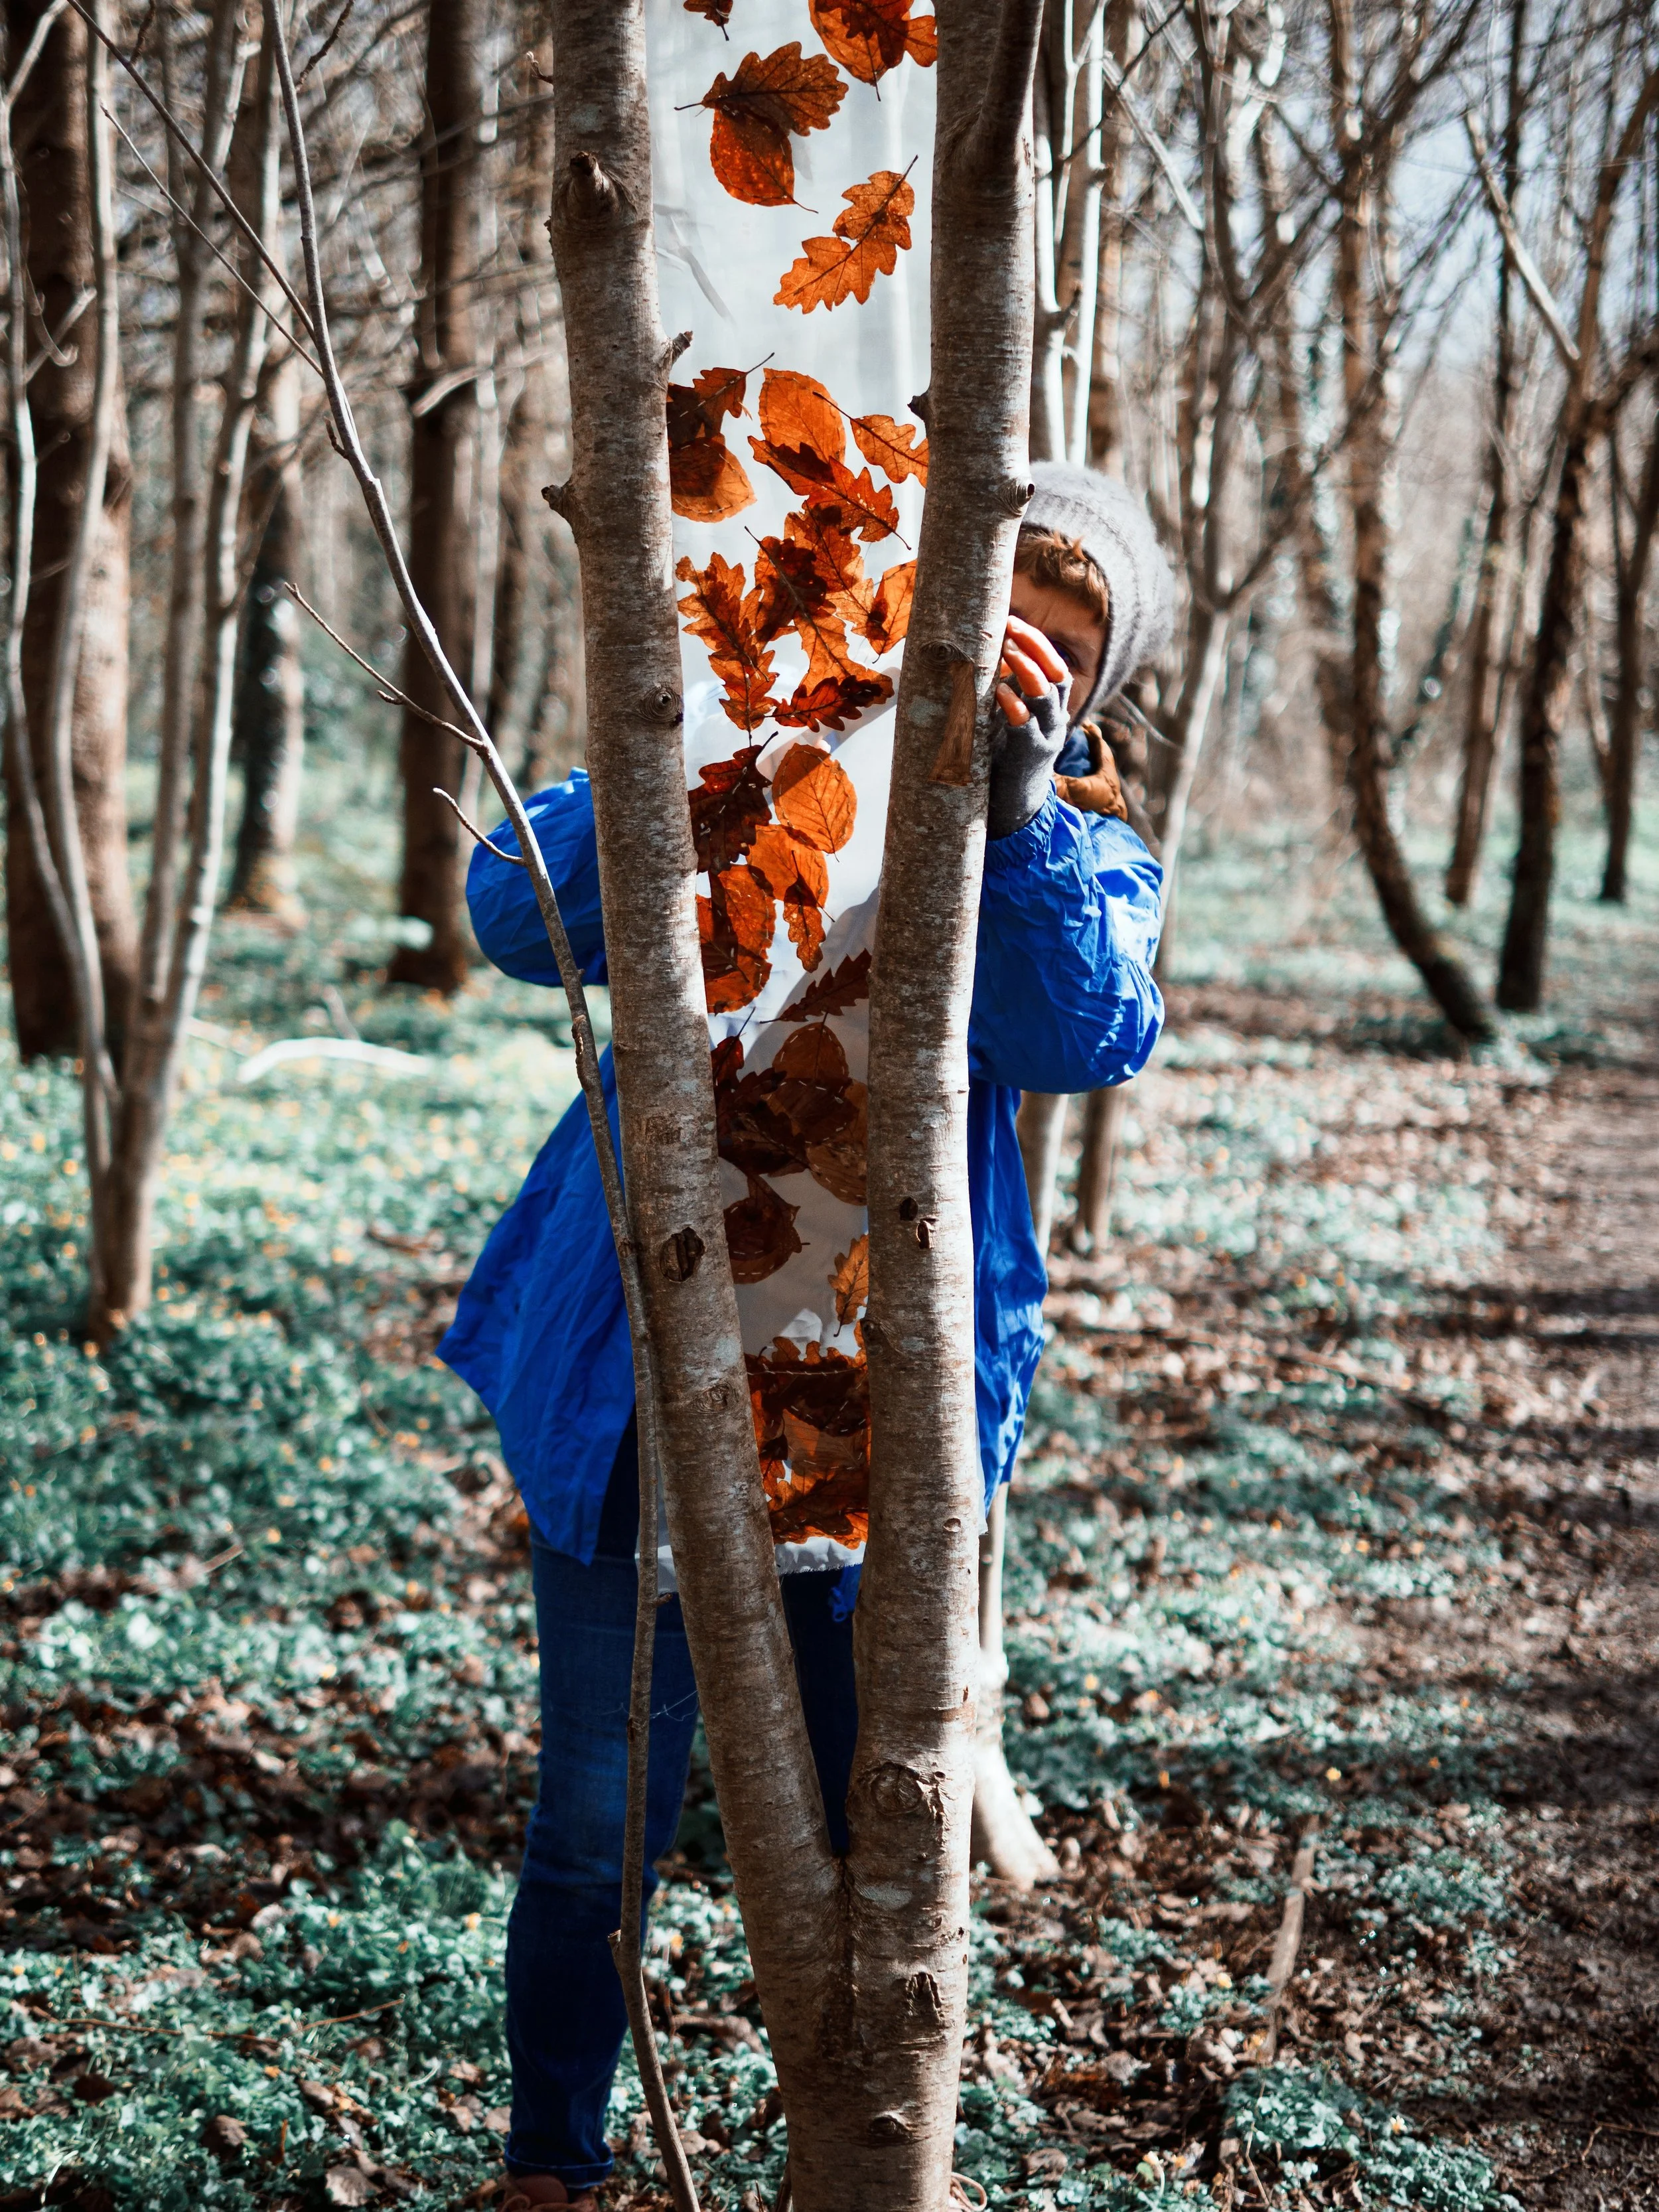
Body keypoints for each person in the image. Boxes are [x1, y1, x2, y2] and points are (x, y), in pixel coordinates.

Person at [439, 463, 1175, 2211]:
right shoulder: (754, 725)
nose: (1005, 666)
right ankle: (553, 2164)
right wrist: (764, 723)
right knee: (596, 1819)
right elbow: (502, 910)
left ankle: (843, 2170)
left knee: (865, 1836)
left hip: (871, 1408)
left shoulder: (1078, 850)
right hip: (644, 1375)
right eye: (979, 624)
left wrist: (1006, 815)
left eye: (1054, 655)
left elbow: (1083, 1032)